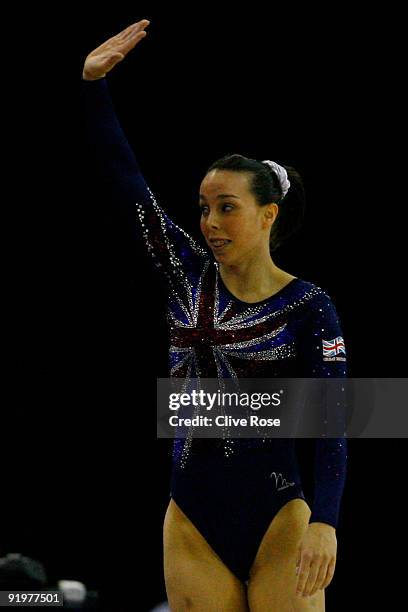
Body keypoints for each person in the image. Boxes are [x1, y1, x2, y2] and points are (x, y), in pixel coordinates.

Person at [81, 19, 348, 611]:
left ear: (268, 215)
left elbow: (334, 420)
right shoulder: (184, 274)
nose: (210, 223)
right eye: (204, 208)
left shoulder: (309, 305)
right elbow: (129, 185)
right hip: (192, 516)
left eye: (227, 208)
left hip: (279, 514)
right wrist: (93, 87)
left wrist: (326, 522)